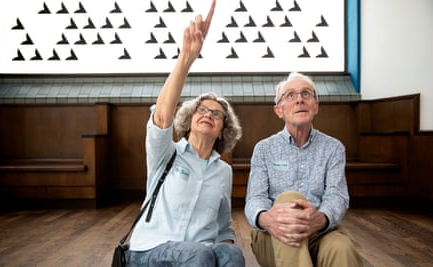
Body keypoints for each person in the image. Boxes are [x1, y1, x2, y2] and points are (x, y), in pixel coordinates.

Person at [126, 1, 245, 266]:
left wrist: (224, 252)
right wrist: (186, 57)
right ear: (189, 120)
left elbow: (224, 227)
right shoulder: (166, 153)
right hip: (150, 251)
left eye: (216, 114)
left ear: (223, 130)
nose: (208, 115)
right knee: (198, 253)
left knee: (232, 254)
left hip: (198, 253)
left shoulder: (223, 172)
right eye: (202, 110)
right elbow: (161, 117)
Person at [244, 72, 363, 267]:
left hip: (318, 230)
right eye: (290, 95)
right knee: (289, 201)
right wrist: (267, 219)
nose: (299, 99)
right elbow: (255, 199)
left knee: (342, 247)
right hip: (273, 233)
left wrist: (321, 219)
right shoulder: (264, 149)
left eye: (306, 94)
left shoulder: (334, 148)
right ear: (279, 110)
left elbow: (337, 196)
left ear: (316, 106)